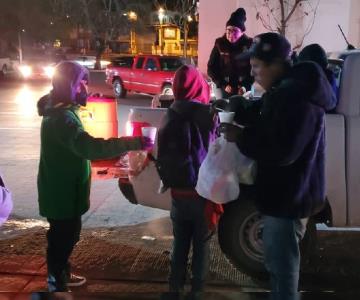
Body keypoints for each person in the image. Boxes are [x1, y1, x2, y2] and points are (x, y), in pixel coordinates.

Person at [223, 33, 336, 299]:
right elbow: (267, 112)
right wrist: (241, 109)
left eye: (256, 67)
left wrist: (240, 136)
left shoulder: (296, 97)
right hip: (289, 195)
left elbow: (282, 150)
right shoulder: (288, 89)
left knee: (282, 270)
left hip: (288, 199)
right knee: (278, 266)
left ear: (275, 64)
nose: (253, 74)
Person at [37, 61, 153, 292]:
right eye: (82, 83)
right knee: (62, 239)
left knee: (67, 235)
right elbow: (89, 147)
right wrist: (134, 143)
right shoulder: (62, 119)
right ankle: (57, 282)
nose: (85, 88)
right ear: (69, 85)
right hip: (61, 193)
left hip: (66, 191)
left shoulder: (64, 112)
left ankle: (61, 274)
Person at [157, 65, 219, 298]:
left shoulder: (169, 114)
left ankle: (174, 289)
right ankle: (197, 292)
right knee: (202, 245)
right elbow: (216, 149)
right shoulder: (207, 114)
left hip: (177, 193)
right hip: (202, 193)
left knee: (180, 242)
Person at [207, 7, 253, 98]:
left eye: (235, 31)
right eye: (228, 30)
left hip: (243, 87)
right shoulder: (220, 44)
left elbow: (254, 69)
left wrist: (245, 86)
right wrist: (222, 84)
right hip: (222, 86)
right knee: (223, 107)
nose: (230, 34)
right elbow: (211, 67)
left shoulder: (249, 45)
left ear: (242, 32)